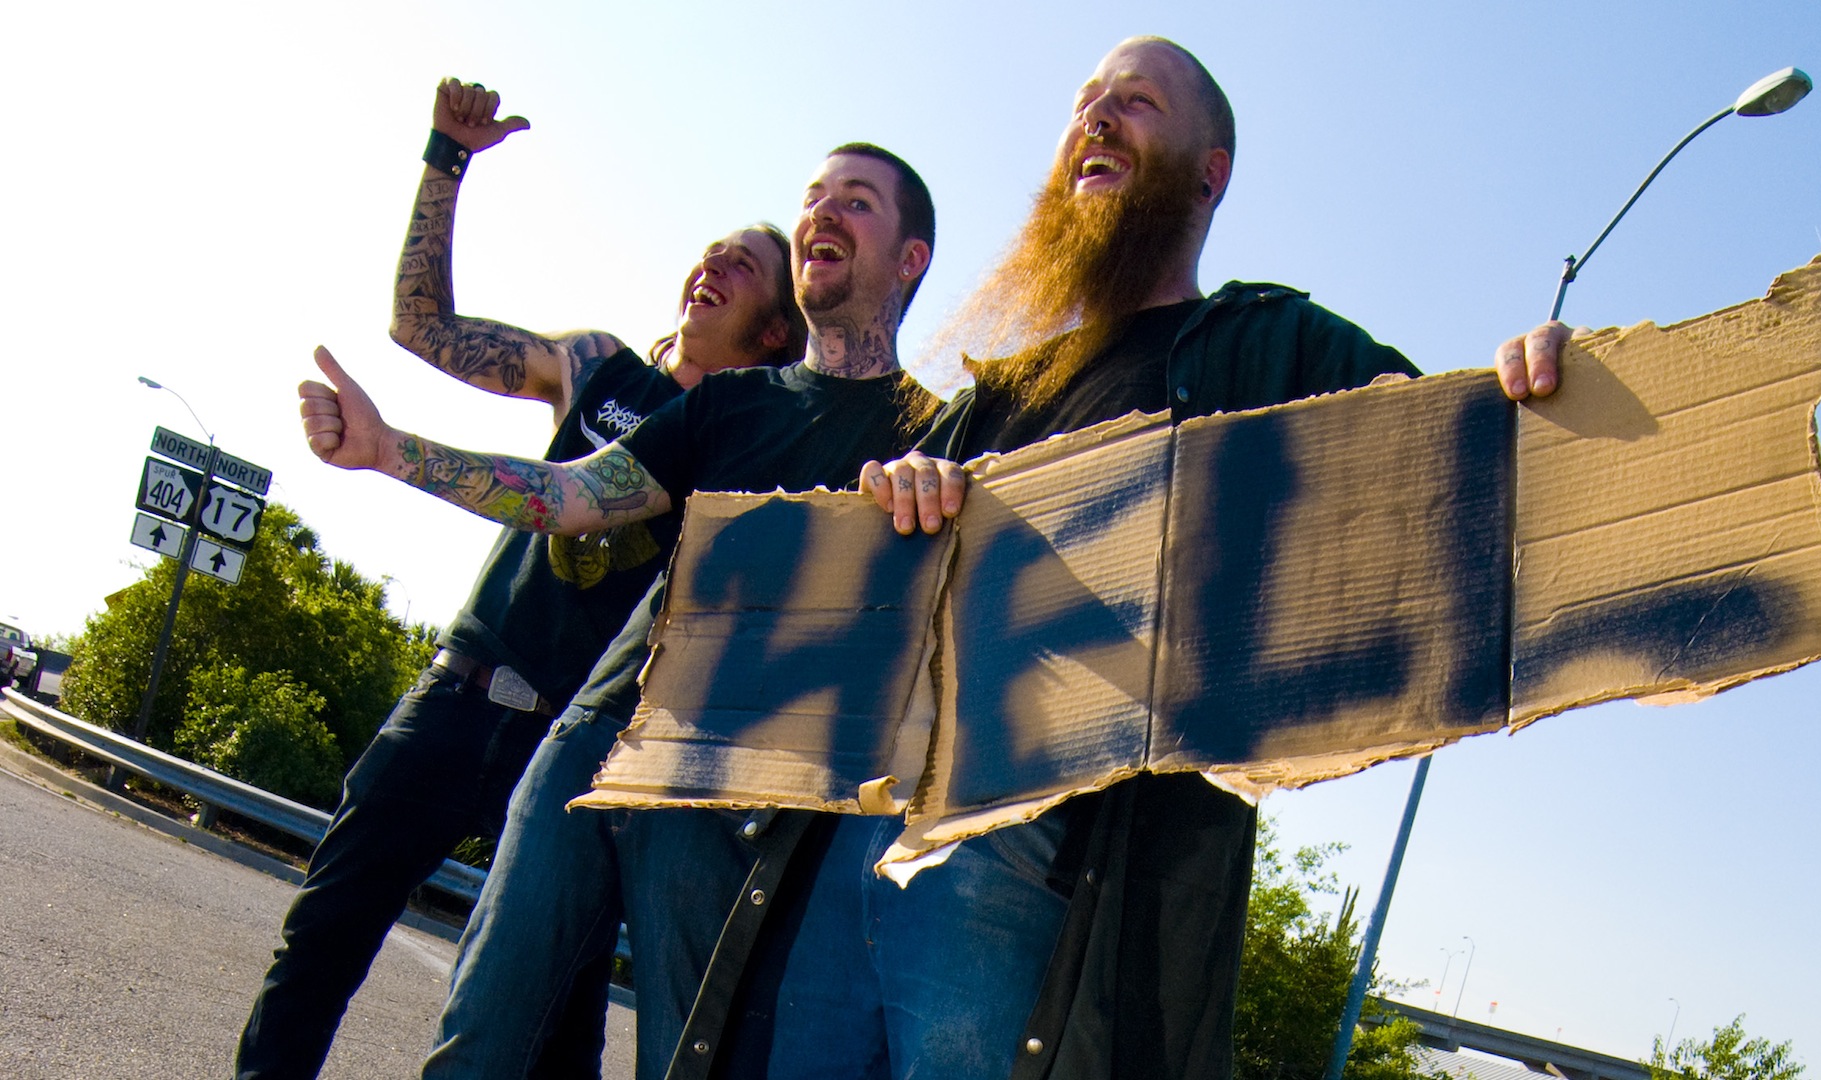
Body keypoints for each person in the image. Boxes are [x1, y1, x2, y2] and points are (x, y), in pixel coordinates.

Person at [847, 37, 1570, 1080]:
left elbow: (1456, 468)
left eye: (1133, 102)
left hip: (1050, 868)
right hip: (873, 837)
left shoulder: (1273, 348)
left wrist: (1528, 399)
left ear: (1210, 170)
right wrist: (902, 491)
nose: (1095, 117)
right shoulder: (999, 396)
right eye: (1085, 101)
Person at [298, 143, 940, 1079]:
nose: (823, 213)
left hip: (732, 788)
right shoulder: (729, 403)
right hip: (594, 738)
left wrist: (935, 483)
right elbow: (568, 495)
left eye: (858, 201)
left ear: (911, 257)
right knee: (482, 1036)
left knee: (689, 1061)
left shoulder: (933, 428)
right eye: (813, 197)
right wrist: (393, 450)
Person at [235, 78, 803, 1080]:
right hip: (458, 696)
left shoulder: (752, 447)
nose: (712, 263)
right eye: (711, 249)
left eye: (746, 265)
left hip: (576, 759)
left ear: (774, 330)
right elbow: (420, 325)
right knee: (318, 944)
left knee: (554, 1034)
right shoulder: (598, 369)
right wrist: (445, 160)